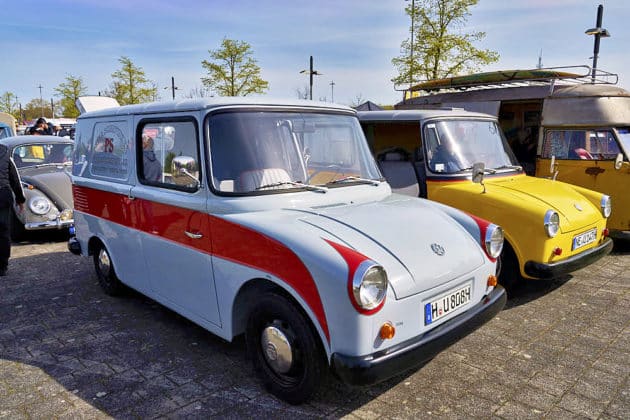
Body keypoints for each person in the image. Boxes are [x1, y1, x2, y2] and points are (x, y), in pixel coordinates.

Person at [0, 143, 26, 276]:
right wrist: (20, 199)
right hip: (3, 194)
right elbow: (14, 177)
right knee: (3, 230)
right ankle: (2, 265)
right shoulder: (4, 152)